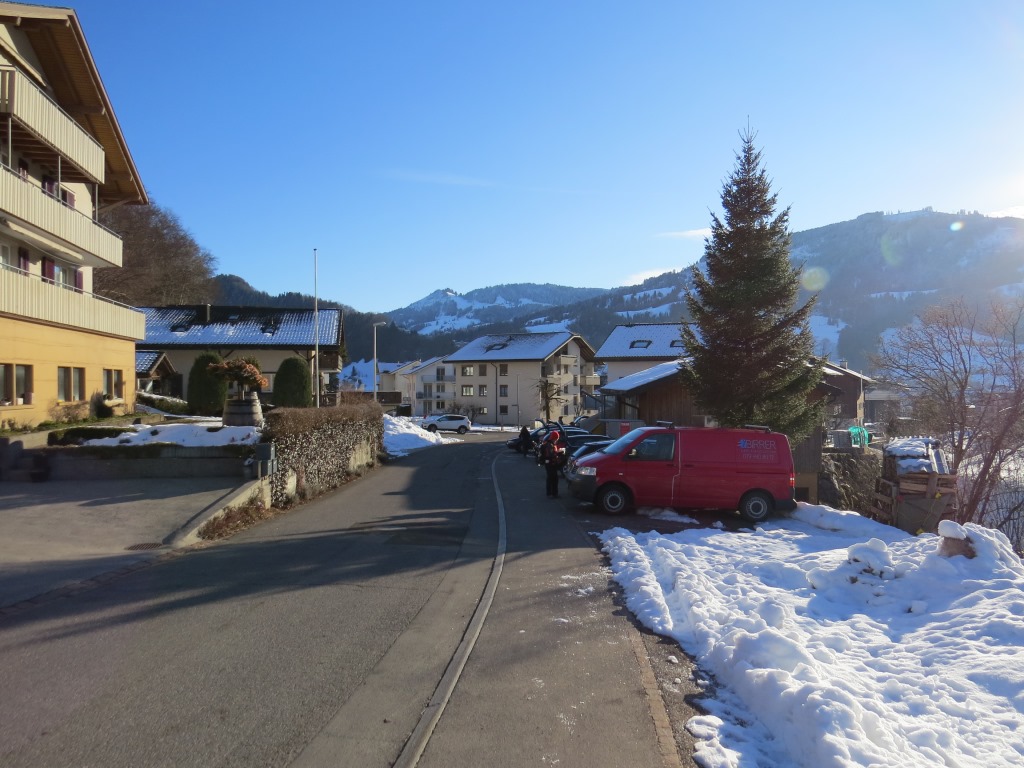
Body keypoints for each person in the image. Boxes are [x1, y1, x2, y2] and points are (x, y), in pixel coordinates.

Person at [539, 431, 565, 497]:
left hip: (549, 463)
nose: (557, 440)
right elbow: (551, 455)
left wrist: (557, 452)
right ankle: (553, 493)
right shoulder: (550, 445)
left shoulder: (549, 444)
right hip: (551, 464)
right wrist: (559, 453)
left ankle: (550, 493)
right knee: (554, 479)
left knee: (550, 478)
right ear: (554, 438)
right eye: (557, 438)